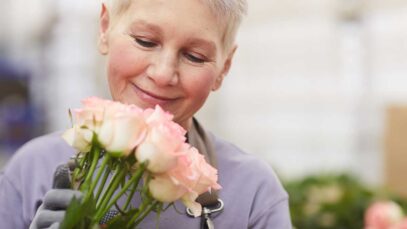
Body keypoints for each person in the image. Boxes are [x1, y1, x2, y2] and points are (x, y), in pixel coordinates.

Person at [0, 0, 292, 228]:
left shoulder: (253, 192)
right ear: (105, 28)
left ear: (224, 68)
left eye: (194, 57)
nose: (164, 74)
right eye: (145, 41)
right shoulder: (30, 171)